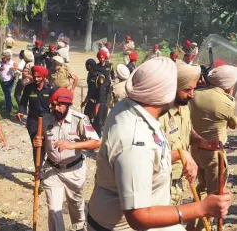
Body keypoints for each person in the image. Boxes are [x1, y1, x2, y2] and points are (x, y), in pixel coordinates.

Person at [87, 57, 232, 231]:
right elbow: (138, 217)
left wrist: (190, 149)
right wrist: (202, 208)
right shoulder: (136, 141)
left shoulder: (132, 107)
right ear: (169, 92)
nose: (192, 94)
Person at [33, 87, 101, 231]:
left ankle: (79, 228)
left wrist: (73, 145)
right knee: (53, 209)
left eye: (59, 105)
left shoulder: (80, 119)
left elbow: (96, 142)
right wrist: (38, 141)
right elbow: (42, 142)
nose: (56, 108)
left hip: (74, 171)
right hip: (52, 170)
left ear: (68, 105)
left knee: (76, 206)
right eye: (53, 105)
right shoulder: (45, 120)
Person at [159, 62, 218, 206]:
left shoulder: (184, 107)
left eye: (194, 89)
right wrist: (180, 154)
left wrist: (203, 142)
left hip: (177, 183)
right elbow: (152, 158)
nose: (192, 95)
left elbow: (187, 132)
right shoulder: (159, 115)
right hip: (160, 185)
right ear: (174, 87)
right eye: (187, 90)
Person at [189, 65, 237, 231]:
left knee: (200, 188)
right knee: (215, 193)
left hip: (195, 149)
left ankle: (192, 224)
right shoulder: (227, 103)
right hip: (214, 154)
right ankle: (204, 226)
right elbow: (233, 124)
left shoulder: (195, 94)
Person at [16, 66, 56, 169]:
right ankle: (38, 171)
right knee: (37, 145)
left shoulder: (50, 89)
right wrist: (21, 111)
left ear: (43, 77)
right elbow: (23, 102)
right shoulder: (29, 88)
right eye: (34, 76)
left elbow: (57, 103)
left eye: (39, 77)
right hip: (33, 121)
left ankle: (48, 168)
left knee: (48, 145)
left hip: (47, 122)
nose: (36, 79)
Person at [81, 59, 106, 137]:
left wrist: (97, 106)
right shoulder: (90, 75)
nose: (85, 67)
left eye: (86, 65)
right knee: (86, 119)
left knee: (97, 123)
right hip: (90, 102)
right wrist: (85, 101)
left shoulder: (99, 77)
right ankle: (88, 136)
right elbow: (90, 90)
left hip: (98, 103)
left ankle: (97, 140)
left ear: (89, 66)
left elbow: (101, 93)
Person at [0, 51, 17, 117]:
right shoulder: (0, 63)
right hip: (2, 81)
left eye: (3, 58)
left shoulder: (12, 63)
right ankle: (10, 106)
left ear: (7, 58)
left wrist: (14, 69)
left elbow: (17, 70)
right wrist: (0, 70)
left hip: (10, 81)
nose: (2, 59)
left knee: (7, 95)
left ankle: (8, 110)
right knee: (6, 94)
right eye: (2, 58)